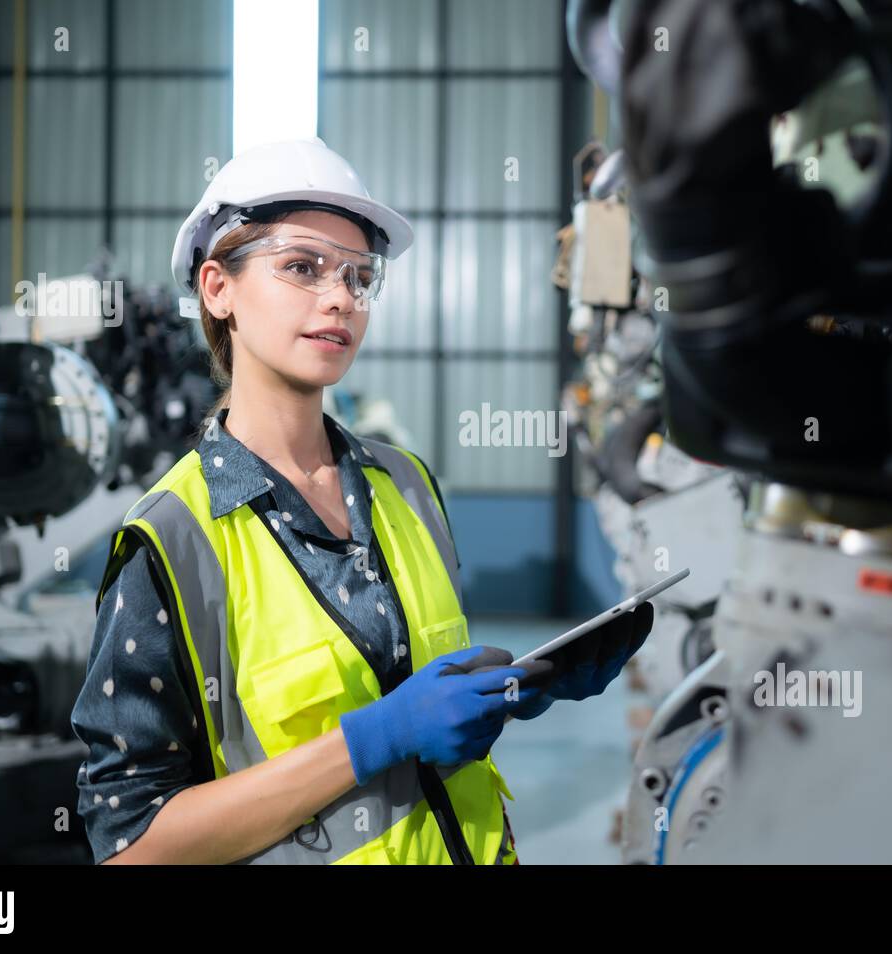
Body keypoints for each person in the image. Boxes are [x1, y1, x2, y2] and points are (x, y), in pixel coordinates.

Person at [70, 137, 653, 865]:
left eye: (358, 275)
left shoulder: (404, 483)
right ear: (218, 289)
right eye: (302, 268)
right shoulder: (173, 539)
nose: (341, 296)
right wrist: (378, 738)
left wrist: (513, 690)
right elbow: (131, 847)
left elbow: (407, 684)